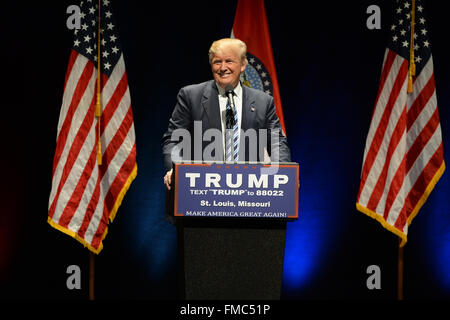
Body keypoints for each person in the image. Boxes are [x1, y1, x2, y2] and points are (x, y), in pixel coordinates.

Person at [162, 38, 290, 190]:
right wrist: (175, 169)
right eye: (217, 62)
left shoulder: (263, 101)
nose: (223, 68)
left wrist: (284, 173)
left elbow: (277, 142)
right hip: (202, 189)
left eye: (229, 61)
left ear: (243, 65)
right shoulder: (190, 96)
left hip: (249, 191)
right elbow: (173, 139)